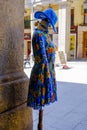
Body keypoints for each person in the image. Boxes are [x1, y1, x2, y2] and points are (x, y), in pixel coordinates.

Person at [27, 8, 58, 130]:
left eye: (48, 23)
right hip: (42, 74)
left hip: (48, 72)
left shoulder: (45, 35)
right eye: (47, 22)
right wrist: (48, 79)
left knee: (43, 106)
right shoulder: (38, 35)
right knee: (41, 103)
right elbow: (43, 59)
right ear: (44, 21)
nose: (47, 25)